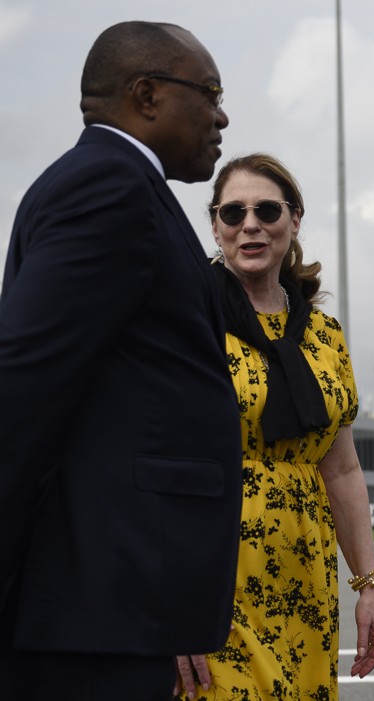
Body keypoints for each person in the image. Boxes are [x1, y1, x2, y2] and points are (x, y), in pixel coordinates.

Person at [0, 21, 242, 701]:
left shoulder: (116, 183)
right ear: (147, 94)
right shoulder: (110, 187)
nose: (222, 116)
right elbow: (25, 378)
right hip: (97, 601)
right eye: (211, 93)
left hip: (109, 599)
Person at [173, 153, 374, 700]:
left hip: (305, 572)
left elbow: (341, 469)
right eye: (231, 212)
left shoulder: (324, 334)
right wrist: (166, 604)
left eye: (267, 210)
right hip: (213, 575)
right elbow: (158, 465)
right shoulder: (185, 319)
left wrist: (368, 587)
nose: (250, 224)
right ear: (215, 225)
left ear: (294, 220)